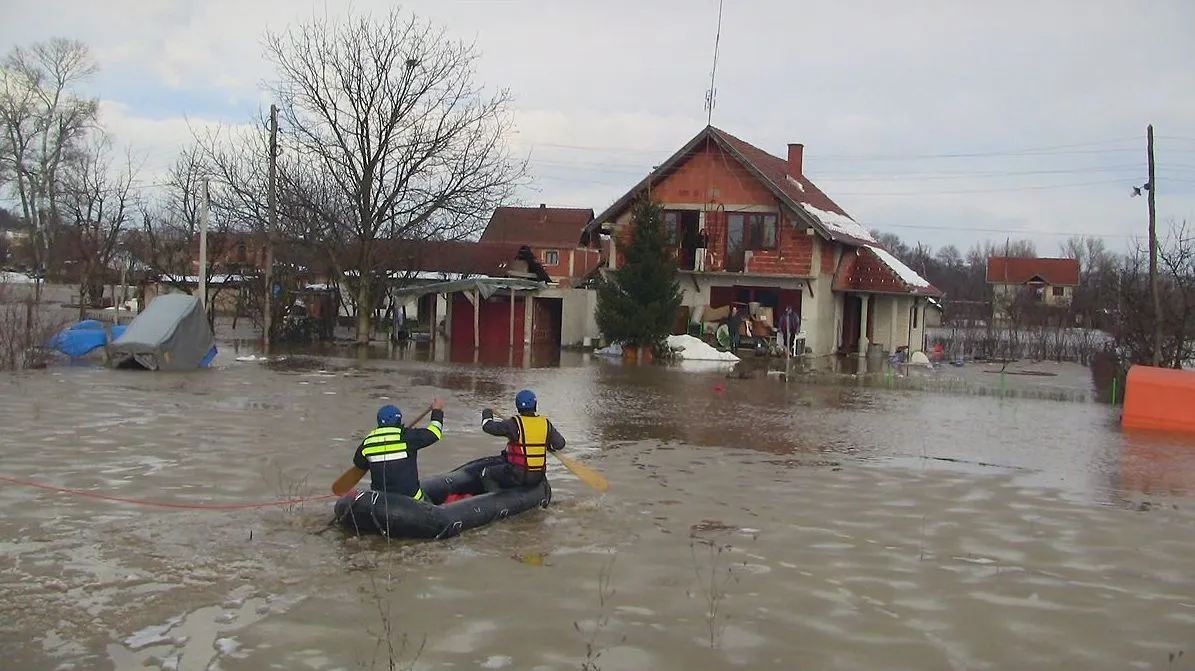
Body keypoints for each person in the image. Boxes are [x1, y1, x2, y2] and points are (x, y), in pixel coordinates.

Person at [351, 398, 446, 500]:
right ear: (399, 420)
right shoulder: (407, 437)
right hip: (410, 500)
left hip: (380, 501)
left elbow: (359, 463)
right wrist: (437, 411)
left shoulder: (367, 442)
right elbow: (435, 433)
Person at [479, 389, 566, 491]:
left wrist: (487, 413)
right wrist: (546, 444)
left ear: (518, 406)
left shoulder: (513, 423)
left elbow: (487, 427)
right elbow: (560, 444)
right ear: (535, 405)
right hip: (538, 476)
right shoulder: (545, 423)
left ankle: (495, 499)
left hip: (517, 476)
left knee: (487, 473)